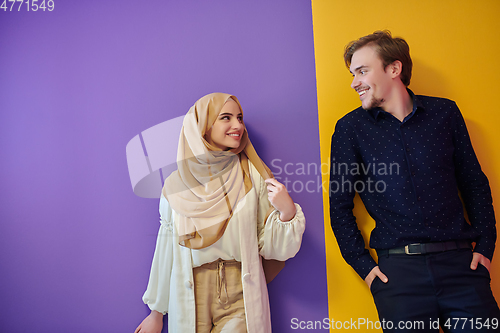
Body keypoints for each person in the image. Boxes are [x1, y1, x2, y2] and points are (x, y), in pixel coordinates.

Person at [329, 30, 499, 332]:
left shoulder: (445, 113)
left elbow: (474, 182)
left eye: (362, 71)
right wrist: (365, 268)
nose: (354, 82)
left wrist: (486, 246)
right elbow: (339, 206)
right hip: (397, 278)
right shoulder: (349, 129)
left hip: (462, 268)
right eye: (353, 73)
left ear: (394, 69)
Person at [134, 93, 306, 333]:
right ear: (203, 126)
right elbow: (166, 251)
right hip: (190, 293)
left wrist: (287, 212)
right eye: (226, 117)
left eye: (240, 117)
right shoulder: (175, 186)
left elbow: (273, 248)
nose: (238, 125)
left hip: (240, 293)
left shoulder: (252, 176)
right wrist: (156, 314)